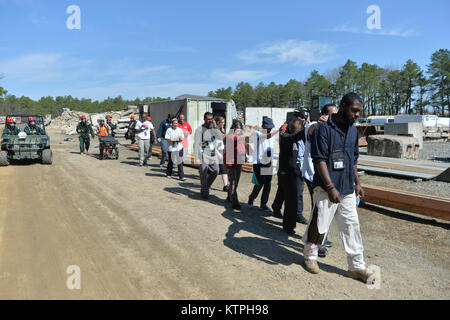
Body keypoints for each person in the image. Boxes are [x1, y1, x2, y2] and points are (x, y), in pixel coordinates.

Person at [303, 92, 374, 283]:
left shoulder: (353, 131)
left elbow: (353, 160)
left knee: (352, 225)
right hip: (327, 187)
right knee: (319, 223)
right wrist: (330, 186)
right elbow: (319, 160)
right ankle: (310, 256)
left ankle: (356, 266)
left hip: (347, 187)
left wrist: (358, 183)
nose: (357, 115)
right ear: (343, 107)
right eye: (354, 111)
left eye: (359, 111)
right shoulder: (323, 129)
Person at [302, 104, 338, 257]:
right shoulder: (314, 126)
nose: (336, 117)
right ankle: (317, 243)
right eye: (333, 114)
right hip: (313, 175)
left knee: (322, 210)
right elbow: (309, 131)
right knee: (319, 210)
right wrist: (318, 123)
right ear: (324, 115)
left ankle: (318, 239)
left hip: (327, 175)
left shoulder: (333, 128)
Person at [276, 118, 306, 235]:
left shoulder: (299, 138)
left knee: (294, 197)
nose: (294, 131)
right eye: (293, 129)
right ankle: (288, 226)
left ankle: (292, 221)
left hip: (297, 170)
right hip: (287, 173)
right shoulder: (286, 136)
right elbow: (295, 136)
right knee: (290, 200)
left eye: (297, 130)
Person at [248, 117, 278, 211]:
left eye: (270, 127)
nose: (269, 129)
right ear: (263, 126)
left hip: (268, 162)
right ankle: (252, 197)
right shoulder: (258, 133)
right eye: (267, 127)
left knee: (268, 184)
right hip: (259, 163)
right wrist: (277, 131)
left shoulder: (272, 136)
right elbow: (266, 136)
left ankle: (263, 204)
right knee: (260, 183)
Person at [224, 120, 252, 210]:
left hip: (238, 162)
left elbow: (243, 147)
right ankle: (235, 203)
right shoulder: (231, 136)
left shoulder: (240, 137)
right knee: (233, 182)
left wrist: (245, 156)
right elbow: (239, 138)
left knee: (236, 183)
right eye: (237, 128)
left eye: (240, 129)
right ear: (233, 128)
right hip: (230, 162)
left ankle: (229, 196)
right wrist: (249, 132)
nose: (238, 130)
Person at [194, 112, 222, 199]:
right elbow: (196, 144)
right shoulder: (200, 129)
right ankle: (205, 192)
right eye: (208, 119)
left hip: (212, 152)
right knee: (203, 172)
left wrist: (215, 126)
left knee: (216, 171)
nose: (210, 121)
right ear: (204, 119)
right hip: (203, 152)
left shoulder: (213, 128)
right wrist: (197, 158)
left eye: (211, 119)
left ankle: (206, 186)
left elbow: (220, 137)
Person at [214, 116, 229, 192]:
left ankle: (225, 186)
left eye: (224, 122)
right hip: (215, 152)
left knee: (224, 169)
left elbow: (224, 141)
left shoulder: (222, 130)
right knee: (213, 170)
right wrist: (217, 153)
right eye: (222, 122)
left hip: (222, 151)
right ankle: (206, 184)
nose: (223, 124)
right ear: (217, 123)